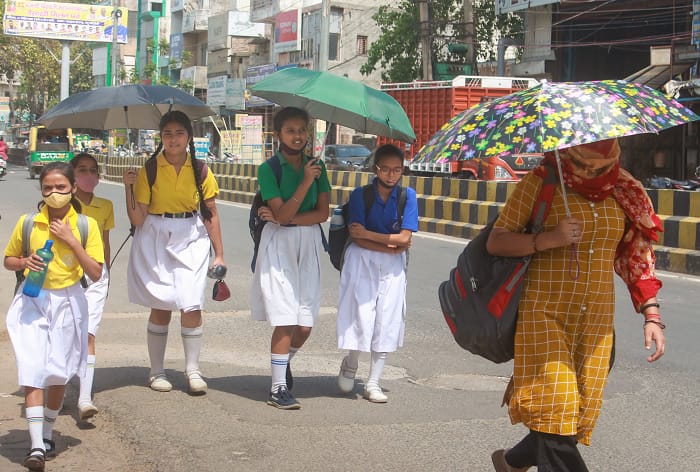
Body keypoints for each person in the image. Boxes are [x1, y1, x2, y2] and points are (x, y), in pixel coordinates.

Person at [485, 139, 666, 472]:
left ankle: (511, 463)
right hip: (544, 315)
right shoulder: (541, 182)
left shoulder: (625, 190)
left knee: (570, 414)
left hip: (595, 324)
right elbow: (497, 241)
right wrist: (549, 239)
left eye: (602, 166)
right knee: (558, 404)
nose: (594, 172)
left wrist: (651, 315)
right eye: (585, 166)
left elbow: (636, 256)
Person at [4, 162, 104, 471]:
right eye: (48, 188)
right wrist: (24, 261)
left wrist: (71, 240)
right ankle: (36, 446)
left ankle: (48, 432)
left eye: (61, 187)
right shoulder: (28, 222)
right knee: (33, 369)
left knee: (58, 372)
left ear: (73, 188)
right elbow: (8, 260)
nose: (54, 194)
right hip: (32, 300)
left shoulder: (86, 225)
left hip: (69, 302)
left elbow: (96, 272)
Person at [122, 111, 226, 395]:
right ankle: (156, 372)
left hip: (191, 236)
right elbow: (138, 218)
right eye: (167, 134)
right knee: (162, 303)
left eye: (179, 133)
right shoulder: (150, 169)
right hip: (155, 235)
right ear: (161, 138)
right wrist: (128, 188)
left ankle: (193, 369)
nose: (173, 139)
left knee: (191, 303)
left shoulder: (202, 169)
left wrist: (219, 254)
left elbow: (211, 213)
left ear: (189, 137)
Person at [251, 107, 330, 410]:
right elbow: (280, 216)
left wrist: (290, 218)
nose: (297, 136)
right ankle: (277, 389)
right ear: (278, 134)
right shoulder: (269, 169)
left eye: (302, 130)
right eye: (290, 130)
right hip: (278, 246)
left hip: (306, 243)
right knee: (285, 319)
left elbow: (322, 213)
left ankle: (282, 366)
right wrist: (306, 183)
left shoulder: (318, 166)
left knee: (305, 324)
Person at [335, 144, 418, 403]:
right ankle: (350, 361)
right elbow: (357, 237)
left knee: (388, 318)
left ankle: (373, 382)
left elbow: (405, 237)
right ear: (376, 169)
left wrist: (380, 239)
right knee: (361, 313)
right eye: (386, 169)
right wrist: (389, 245)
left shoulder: (408, 196)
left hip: (394, 265)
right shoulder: (361, 195)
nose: (391, 175)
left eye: (397, 170)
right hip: (362, 259)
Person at [70, 153, 114, 420]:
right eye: (82, 170)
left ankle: (85, 397)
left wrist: (106, 273)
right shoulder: (61, 204)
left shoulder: (106, 206)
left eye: (92, 171)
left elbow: (105, 243)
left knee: (88, 334)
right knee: (65, 333)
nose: (88, 175)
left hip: (95, 277)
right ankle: (61, 386)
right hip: (64, 277)